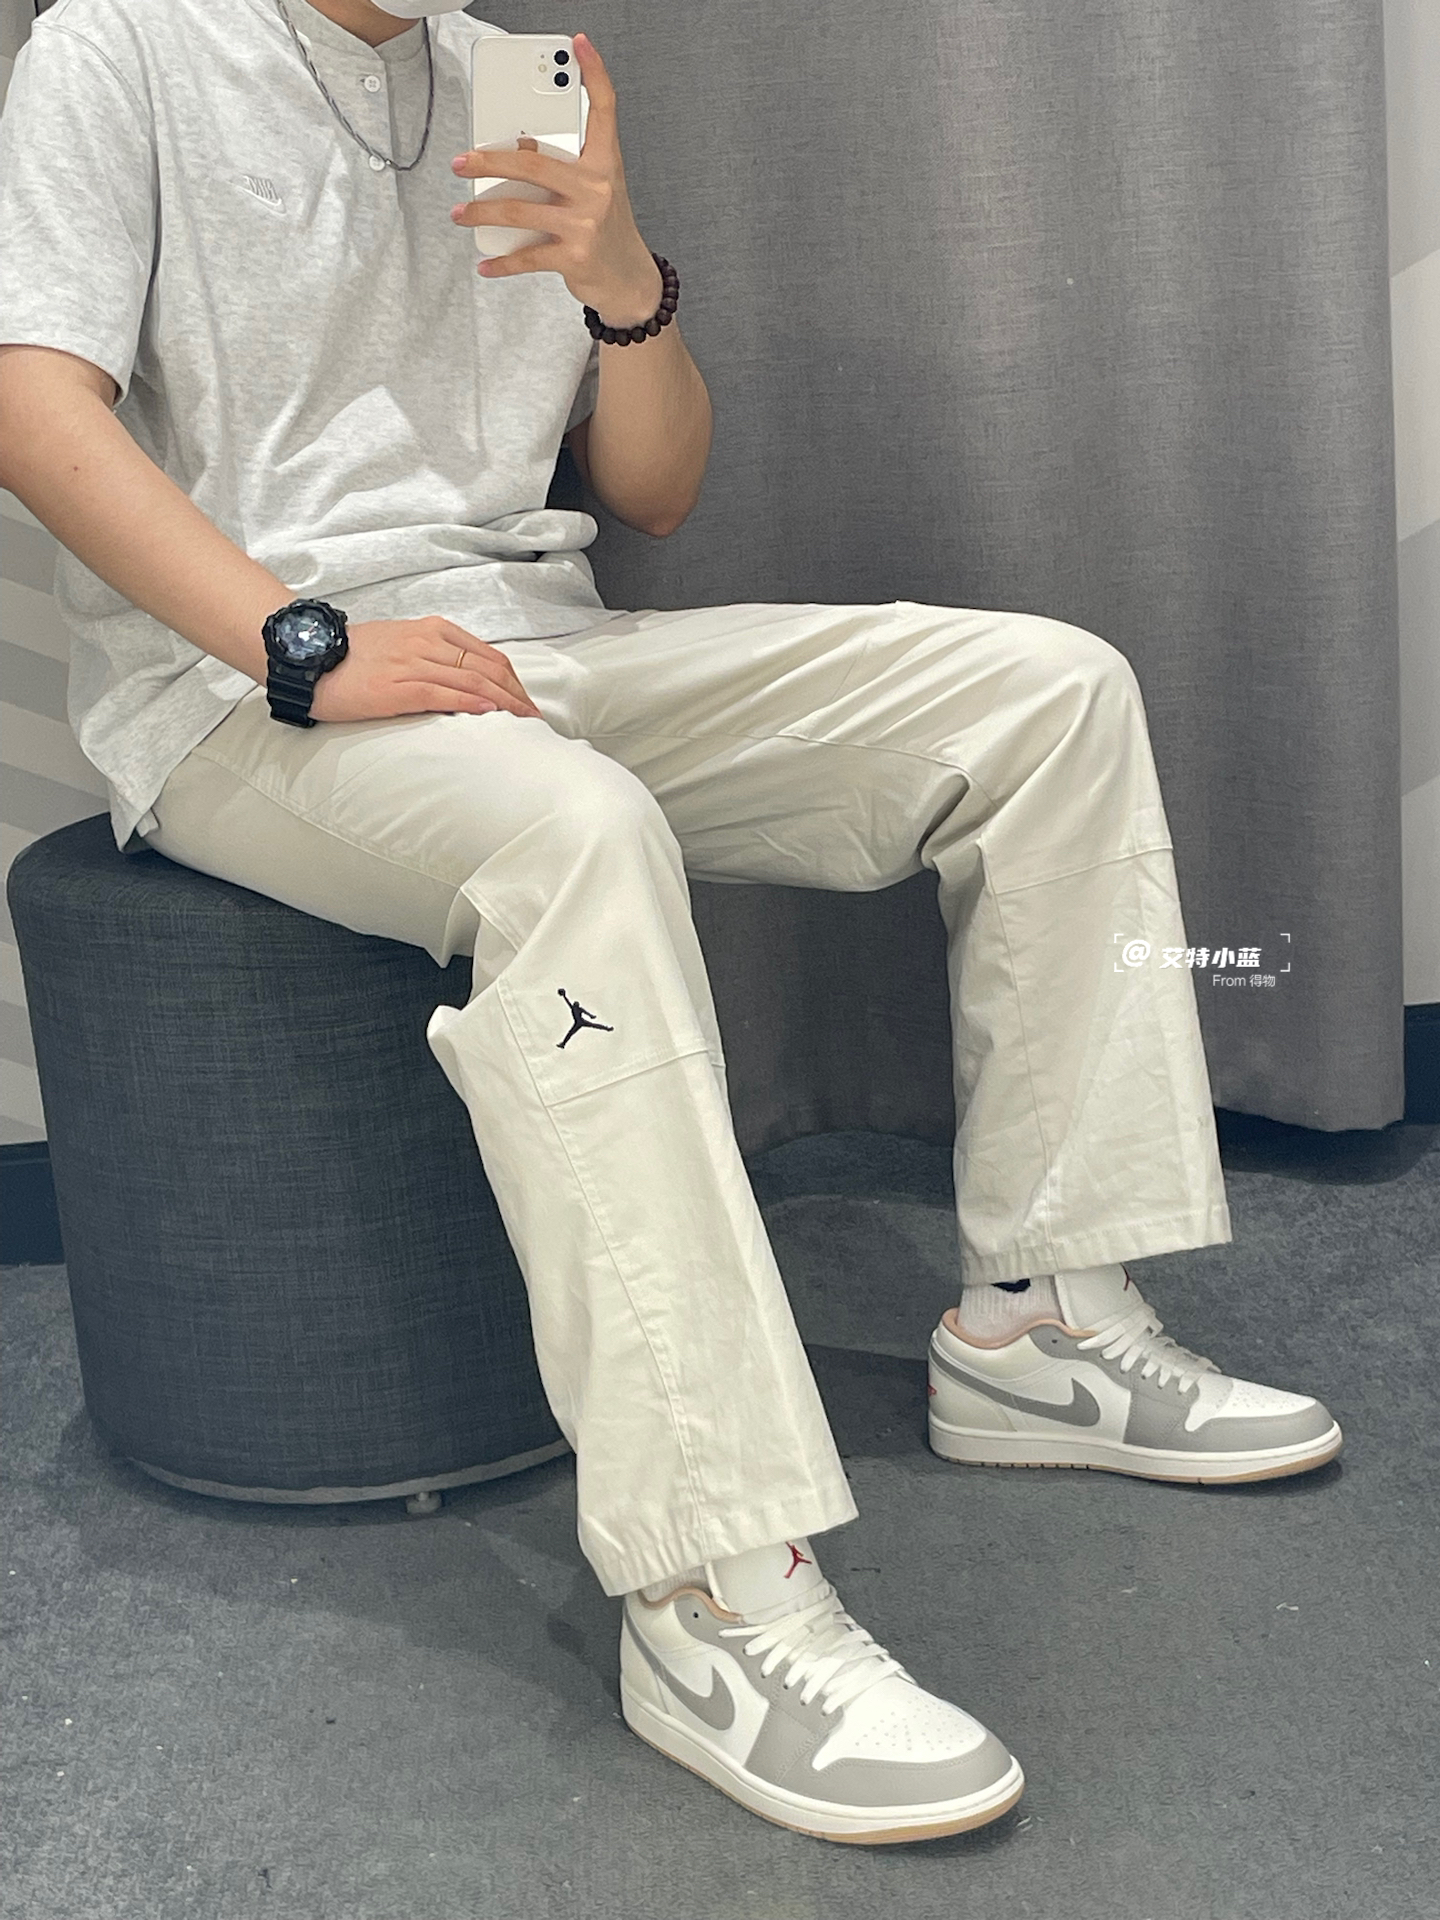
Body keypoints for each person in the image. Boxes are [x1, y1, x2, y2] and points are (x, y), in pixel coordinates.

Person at [0, 0, 1342, 1847]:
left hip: (536, 646)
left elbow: (655, 485)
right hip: (245, 695)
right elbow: (31, 401)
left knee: (1048, 693)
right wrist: (300, 641)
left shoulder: (504, 71)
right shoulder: (123, 44)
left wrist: (619, 269)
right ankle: (714, 1586)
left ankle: (1045, 1325)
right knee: (581, 837)